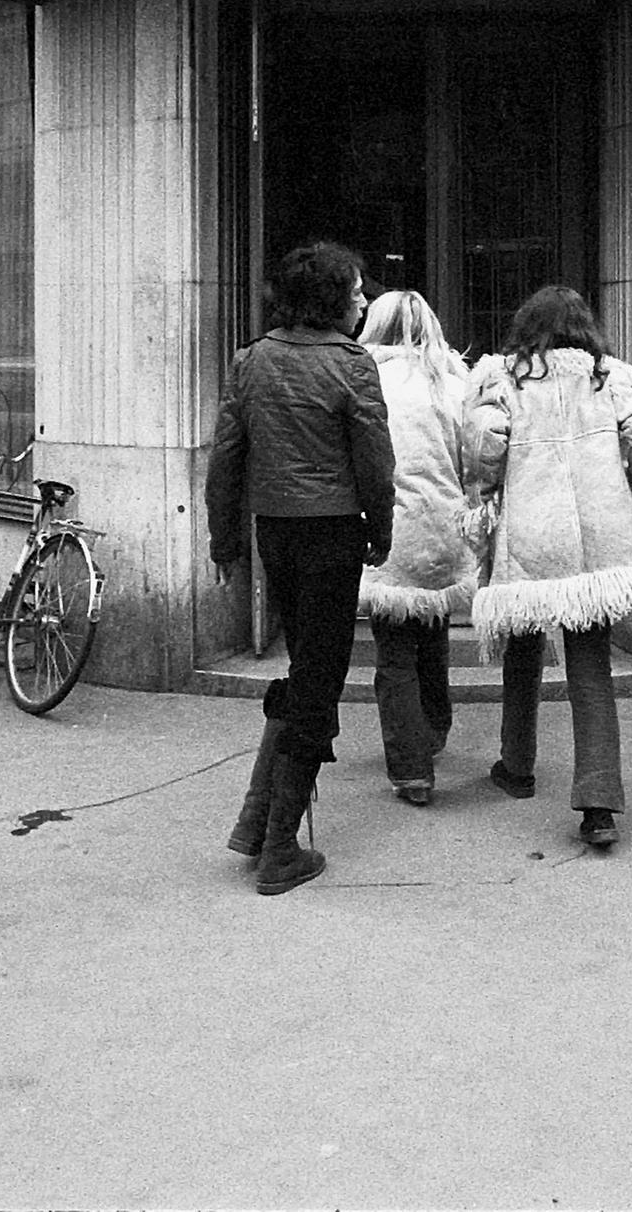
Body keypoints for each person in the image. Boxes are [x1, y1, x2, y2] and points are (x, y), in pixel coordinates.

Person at [208, 241, 395, 896]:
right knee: (321, 682)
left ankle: (257, 823)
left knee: (302, 669)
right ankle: (281, 847)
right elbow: (375, 461)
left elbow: (225, 457)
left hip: (274, 533)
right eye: (355, 291)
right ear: (330, 300)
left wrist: (224, 538)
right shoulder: (352, 366)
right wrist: (382, 528)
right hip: (331, 534)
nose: (363, 301)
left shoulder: (251, 360)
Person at [467, 285, 632, 850]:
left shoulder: (506, 377)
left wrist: (489, 490)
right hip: (598, 535)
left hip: (534, 531)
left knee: (522, 644)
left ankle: (517, 765)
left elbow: (485, 443)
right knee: (591, 668)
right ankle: (598, 803)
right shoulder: (607, 375)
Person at [355, 289, 475, 807]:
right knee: (434, 633)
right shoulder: (455, 382)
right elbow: (474, 458)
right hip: (445, 528)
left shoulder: (363, 378)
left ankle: (411, 768)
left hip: (387, 528)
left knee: (394, 652)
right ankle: (434, 727)